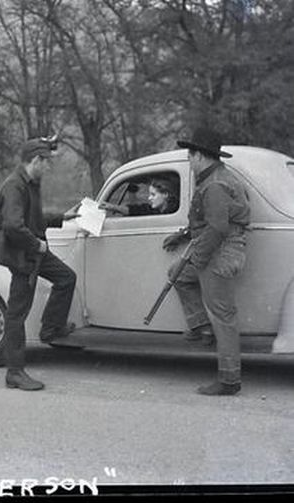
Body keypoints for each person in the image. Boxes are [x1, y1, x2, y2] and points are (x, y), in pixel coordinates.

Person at [163, 127, 250, 396]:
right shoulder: (221, 178)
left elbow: (217, 228)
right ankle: (201, 327)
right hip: (218, 249)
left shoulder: (213, 185)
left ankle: (229, 379)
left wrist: (198, 259)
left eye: (189, 155)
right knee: (177, 274)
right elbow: (211, 219)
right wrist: (184, 236)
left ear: (199, 155)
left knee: (224, 316)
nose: (188, 161)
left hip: (218, 253)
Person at [0, 137, 79, 391]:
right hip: (22, 257)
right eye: (46, 163)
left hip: (33, 251)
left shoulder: (31, 183)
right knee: (16, 314)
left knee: (66, 278)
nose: (48, 168)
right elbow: (11, 225)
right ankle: (15, 372)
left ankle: (52, 329)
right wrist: (36, 244)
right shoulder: (14, 186)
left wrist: (63, 217)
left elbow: (35, 218)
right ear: (36, 161)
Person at [100, 178, 178, 216]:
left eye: (153, 195)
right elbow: (135, 210)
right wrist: (113, 207)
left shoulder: (175, 211)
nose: (149, 198)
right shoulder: (154, 210)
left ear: (165, 194)